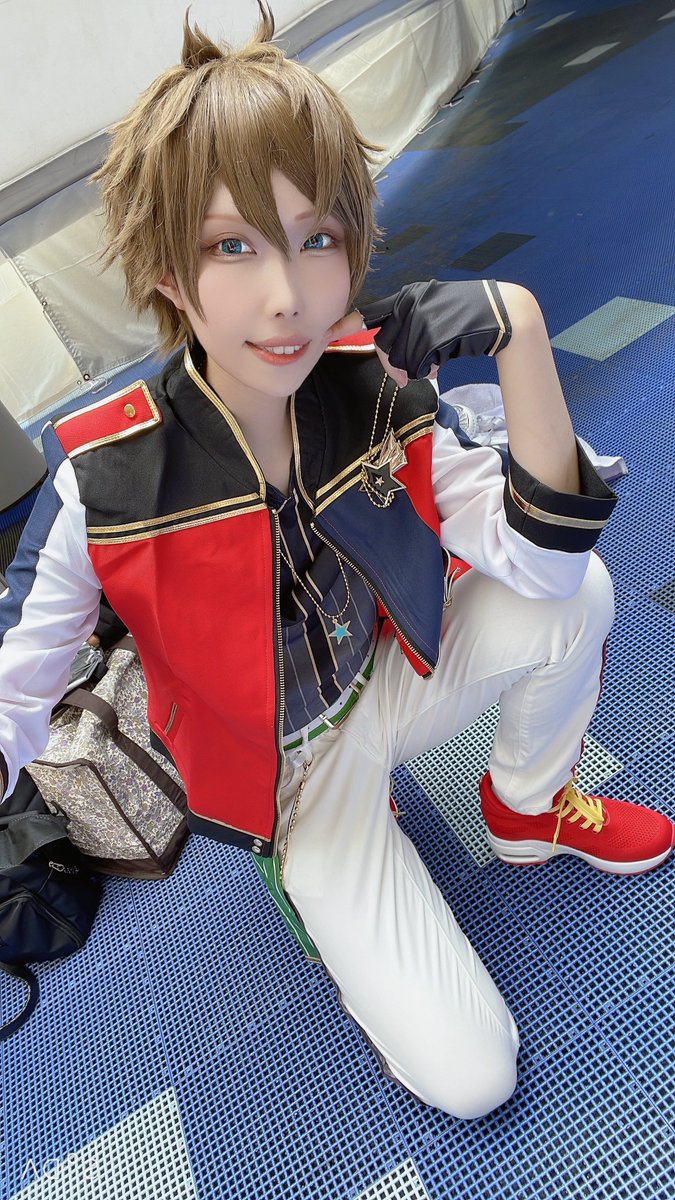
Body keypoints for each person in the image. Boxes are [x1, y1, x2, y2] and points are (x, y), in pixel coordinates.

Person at [0, 2, 672, 1120]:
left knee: (581, 595)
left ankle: (525, 804)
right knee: (474, 1080)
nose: (288, 296)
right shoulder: (104, 478)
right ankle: (304, 878)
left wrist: (520, 329)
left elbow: (547, 568)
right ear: (166, 269)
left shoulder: (371, 385)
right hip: (295, 782)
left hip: (391, 675)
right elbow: (14, 696)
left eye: (316, 238)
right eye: (231, 246)